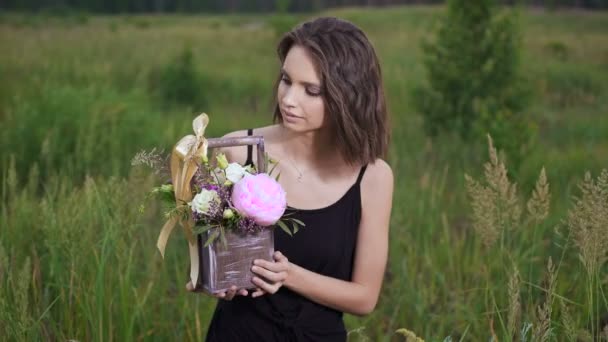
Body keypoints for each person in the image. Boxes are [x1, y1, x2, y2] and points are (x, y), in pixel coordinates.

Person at [187, 16, 394, 341]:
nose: (288, 99)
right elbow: (211, 262)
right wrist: (215, 281)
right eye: (286, 80)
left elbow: (365, 298)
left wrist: (289, 275)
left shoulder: (373, 177)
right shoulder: (238, 152)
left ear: (349, 97)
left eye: (311, 90)